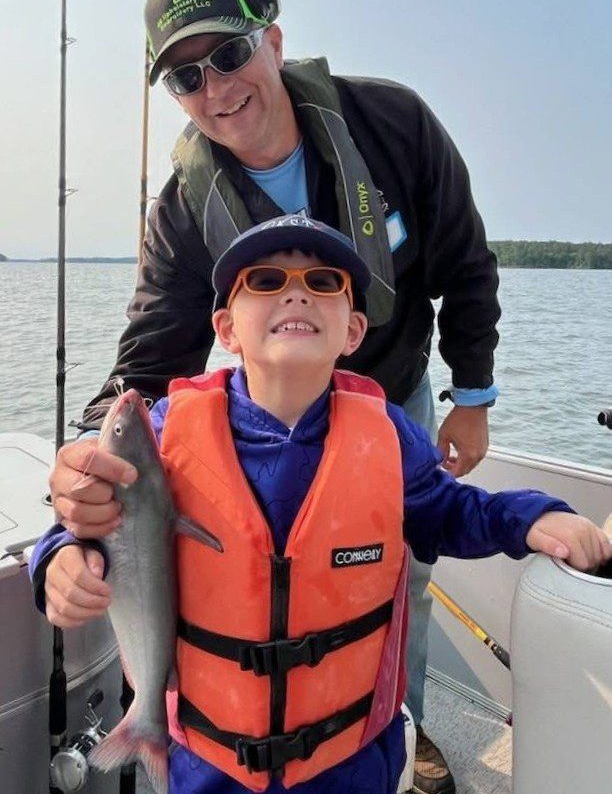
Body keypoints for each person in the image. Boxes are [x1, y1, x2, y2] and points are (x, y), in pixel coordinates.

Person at [45, 0, 503, 790]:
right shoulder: (185, 208)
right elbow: (146, 361)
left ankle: (398, 716)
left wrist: (473, 398)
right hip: (273, 420)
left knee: (405, 580)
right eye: (185, 77)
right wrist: (86, 457)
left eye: (228, 54)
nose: (216, 90)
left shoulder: (394, 123)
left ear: (275, 43)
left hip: (393, 398)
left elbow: (465, 262)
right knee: (281, 571)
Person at [31, 216, 612, 794]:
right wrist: (58, 558)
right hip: (210, 766)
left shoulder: (389, 433)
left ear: (353, 330)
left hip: (351, 763)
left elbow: (455, 512)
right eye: (264, 279)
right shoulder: (163, 433)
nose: (296, 290)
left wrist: (535, 516)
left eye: (324, 282)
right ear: (226, 328)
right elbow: (94, 520)